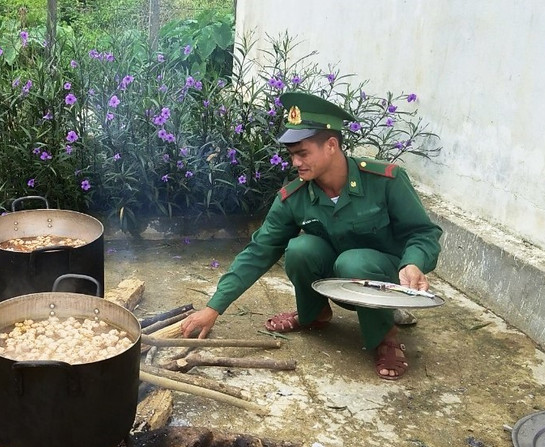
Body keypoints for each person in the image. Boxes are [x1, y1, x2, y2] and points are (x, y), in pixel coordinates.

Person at [180, 91, 442, 380]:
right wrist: (214, 307)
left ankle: (386, 336)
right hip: (336, 280)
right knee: (300, 249)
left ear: (331, 145)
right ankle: (315, 314)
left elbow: (423, 233)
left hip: (384, 279)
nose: (295, 162)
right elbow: (259, 251)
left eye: (302, 153)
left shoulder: (386, 181)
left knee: (354, 262)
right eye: (292, 155)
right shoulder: (296, 197)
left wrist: (413, 263)